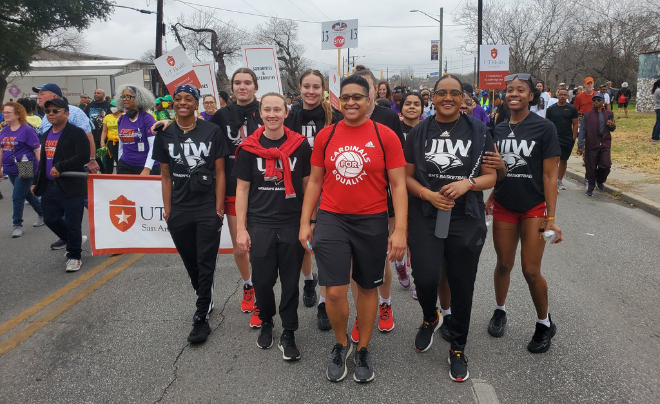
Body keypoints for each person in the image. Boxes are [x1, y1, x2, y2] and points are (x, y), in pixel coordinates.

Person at [298, 74, 407, 383]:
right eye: (345, 97)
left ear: (369, 100)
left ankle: (363, 348)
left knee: (367, 287)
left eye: (357, 97)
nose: (351, 102)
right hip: (332, 218)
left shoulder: (385, 135)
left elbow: (398, 185)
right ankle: (341, 343)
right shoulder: (326, 136)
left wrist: (399, 230)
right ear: (338, 100)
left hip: (371, 220)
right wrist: (306, 221)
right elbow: (315, 181)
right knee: (333, 291)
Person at [404, 74, 497, 382]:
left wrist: (467, 184)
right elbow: (406, 176)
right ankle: (430, 317)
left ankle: (457, 347)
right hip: (426, 213)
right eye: (441, 93)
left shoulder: (479, 130)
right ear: (431, 98)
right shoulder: (419, 132)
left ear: (463, 97)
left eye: (454, 93)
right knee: (427, 277)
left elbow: (491, 176)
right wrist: (427, 194)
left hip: (465, 216)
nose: (447, 97)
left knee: (462, 285)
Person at [486, 73, 562, 355]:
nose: (513, 94)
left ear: (531, 96)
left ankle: (544, 323)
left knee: (530, 270)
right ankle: (499, 310)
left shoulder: (544, 128)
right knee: (503, 264)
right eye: (509, 90)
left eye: (520, 90)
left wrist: (551, 217)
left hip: (534, 208)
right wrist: (493, 194)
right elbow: (500, 168)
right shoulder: (499, 128)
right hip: (505, 205)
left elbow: (550, 176)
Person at [235, 92, 311, 360]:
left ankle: (289, 331)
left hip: (291, 222)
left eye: (277, 109)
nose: (272, 114)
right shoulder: (248, 148)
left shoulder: (300, 146)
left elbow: (307, 185)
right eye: (267, 109)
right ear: (260, 113)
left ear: (286, 113)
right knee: (263, 281)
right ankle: (266, 320)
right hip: (260, 223)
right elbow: (242, 190)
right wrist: (241, 229)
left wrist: (309, 221)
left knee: (290, 283)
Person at [152, 84, 229, 344]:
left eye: (188, 99)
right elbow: (164, 174)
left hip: (207, 207)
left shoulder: (212, 131)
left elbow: (220, 172)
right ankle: (204, 297)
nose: (182, 102)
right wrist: (168, 209)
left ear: (196, 104)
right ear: (172, 103)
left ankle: (200, 317)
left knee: (206, 260)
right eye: (178, 99)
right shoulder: (165, 133)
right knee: (190, 261)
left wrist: (219, 209)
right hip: (180, 208)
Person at [283, 69, 342, 330]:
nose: (311, 91)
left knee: (325, 244)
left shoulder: (334, 116)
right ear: (300, 87)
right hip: (296, 185)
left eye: (316, 87)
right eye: (306, 86)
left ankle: (322, 302)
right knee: (304, 239)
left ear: (323, 89)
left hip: (328, 185)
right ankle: (308, 279)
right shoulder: (290, 114)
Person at [351, 66, 407, 336]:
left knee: (380, 254)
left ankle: (385, 304)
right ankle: (360, 312)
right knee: (353, 261)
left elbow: (398, 164)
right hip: (354, 199)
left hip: (384, 196)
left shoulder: (388, 117)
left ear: (374, 89)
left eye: (366, 85)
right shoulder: (344, 117)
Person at [209, 68, 264, 323]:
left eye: (247, 82)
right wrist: (168, 124)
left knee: (262, 249)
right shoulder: (221, 115)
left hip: (264, 188)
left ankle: (263, 297)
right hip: (233, 187)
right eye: (237, 83)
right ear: (232, 88)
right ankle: (248, 284)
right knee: (240, 246)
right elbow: (199, 132)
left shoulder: (266, 111)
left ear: (255, 86)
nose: (242, 87)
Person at [31, 98, 90, 272]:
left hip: (71, 186)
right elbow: (43, 162)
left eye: (55, 111)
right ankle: (74, 241)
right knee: (50, 218)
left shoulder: (76, 132)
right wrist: (36, 181)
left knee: (73, 222)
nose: (51, 114)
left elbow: (83, 156)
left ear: (66, 113)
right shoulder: (47, 133)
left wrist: (61, 166)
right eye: (48, 111)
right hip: (50, 186)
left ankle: (74, 256)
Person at [34, 83, 99, 174]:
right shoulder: (46, 116)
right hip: (50, 173)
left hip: (69, 172)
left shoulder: (74, 112)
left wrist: (92, 160)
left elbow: (88, 136)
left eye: (42, 94)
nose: (38, 97)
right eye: (48, 111)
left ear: (55, 96)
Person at [0, 102, 43, 238]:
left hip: (25, 166)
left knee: (17, 196)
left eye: (8, 112)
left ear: (18, 114)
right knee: (27, 194)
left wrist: (41, 168)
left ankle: (17, 224)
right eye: (4, 112)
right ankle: (43, 214)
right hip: (10, 167)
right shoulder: (4, 130)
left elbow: (37, 149)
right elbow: (1, 149)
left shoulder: (26, 130)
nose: (4, 115)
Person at [114, 85, 159, 175]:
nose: (125, 99)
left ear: (138, 98)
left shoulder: (147, 118)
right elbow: (121, 145)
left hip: (145, 166)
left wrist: (147, 169)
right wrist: (120, 162)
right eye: (123, 96)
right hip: (126, 165)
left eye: (129, 96)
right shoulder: (122, 119)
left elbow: (154, 146)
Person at [577, 93, 616, 196]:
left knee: (606, 165)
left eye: (598, 100)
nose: (596, 102)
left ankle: (600, 180)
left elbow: (612, 128)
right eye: (594, 100)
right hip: (591, 144)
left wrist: (613, 126)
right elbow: (582, 131)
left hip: (605, 144)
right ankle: (590, 187)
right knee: (591, 167)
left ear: (603, 101)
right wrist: (580, 145)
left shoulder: (609, 113)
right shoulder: (587, 115)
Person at [546, 88, 579, 190]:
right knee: (555, 159)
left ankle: (559, 180)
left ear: (567, 96)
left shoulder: (572, 109)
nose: (563, 97)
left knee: (564, 160)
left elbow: (575, 123)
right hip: (555, 138)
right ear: (557, 96)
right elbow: (547, 124)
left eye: (565, 95)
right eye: (561, 95)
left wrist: (573, 138)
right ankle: (553, 179)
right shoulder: (551, 109)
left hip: (567, 138)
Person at [85, 88, 111, 173]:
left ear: (103, 95)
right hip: (93, 135)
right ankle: (102, 171)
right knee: (94, 156)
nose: (96, 94)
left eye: (98, 93)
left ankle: (108, 173)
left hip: (105, 136)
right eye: (95, 93)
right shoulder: (90, 105)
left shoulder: (108, 105)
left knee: (107, 157)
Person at [100, 100, 122, 174]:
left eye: (114, 106)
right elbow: (104, 131)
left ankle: (121, 174)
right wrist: (102, 141)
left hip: (121, 141)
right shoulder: (107, 117)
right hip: (110, 141)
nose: (112, 108)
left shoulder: (124, 116)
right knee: (108, 160)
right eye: (111, 106)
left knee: (120, 160)